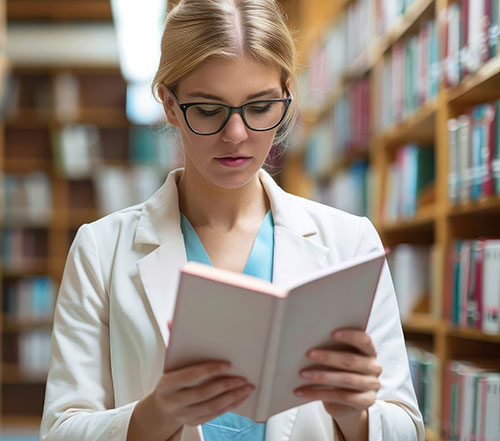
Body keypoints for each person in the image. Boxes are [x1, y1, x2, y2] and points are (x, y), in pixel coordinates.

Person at [40, 0, 424, 440]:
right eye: (208, 110)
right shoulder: (100, 250)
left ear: (286, 97)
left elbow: (405, 429)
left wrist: (354, 413)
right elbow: (60, 431)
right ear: (169, 104)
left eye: (260, 107)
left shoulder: (350, 242)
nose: (236, 134)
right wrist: (156, 413)